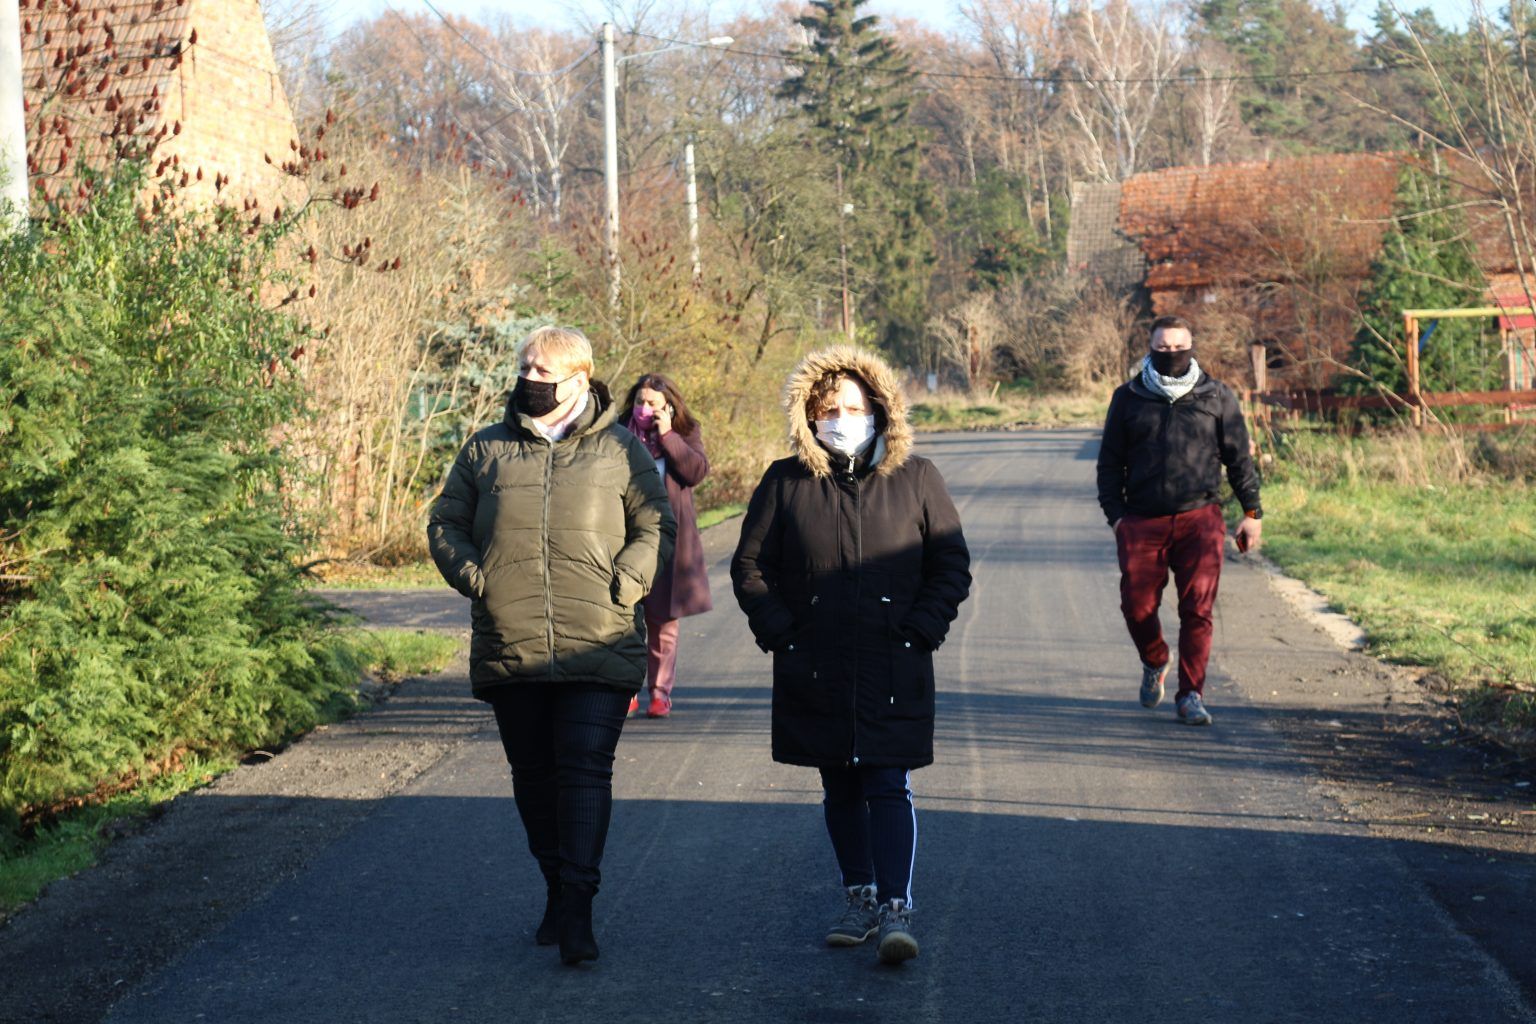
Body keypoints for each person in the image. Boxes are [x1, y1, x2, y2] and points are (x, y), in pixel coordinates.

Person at [427, 326, 675, 966]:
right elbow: (446, 522)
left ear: (580, 378)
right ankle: (556, 888)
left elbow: (655, 523)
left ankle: (580, 907)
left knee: (585, 768)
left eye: (544, 370)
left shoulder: (620, 449)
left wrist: (628, 583)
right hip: (512, 637)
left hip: (600, 635)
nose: (530, 378)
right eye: (526, 367)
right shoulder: (487, 448)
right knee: (534, 775)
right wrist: (476, 578)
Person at [731, 346, 971, 966]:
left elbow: (950, 565)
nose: (843, 419)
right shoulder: (785, 482)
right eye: (831, 409)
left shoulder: (917, 478)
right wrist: (784, 634)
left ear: (881, 410)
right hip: (816, 664)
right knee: (838, 783)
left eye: (856, 408)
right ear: (810, 416)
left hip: (895, 662)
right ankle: (859, 897)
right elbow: (750, 567)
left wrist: (921, 631)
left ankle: (895, 908)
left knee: (888, 782)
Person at [1095, 314, 1263, 727]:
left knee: (1198, 609)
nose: (1172, 354)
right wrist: (1117, 518)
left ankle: (1191, 695)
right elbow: (1109, 463)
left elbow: (1239, 460)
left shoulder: (1216, 395)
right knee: (1136, 608)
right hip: (1141, 521)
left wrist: (1251, 512)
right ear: (1150, 348)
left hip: (1199, 518)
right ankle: (1155, 659)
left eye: (1179, 347)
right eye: (1163, 348)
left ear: (1192, 347)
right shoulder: (1128, 397)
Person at [621, 373, 713, 719]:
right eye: (639, 402)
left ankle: (660, 693)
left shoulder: (685, 432)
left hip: (669, 542)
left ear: (669, 407)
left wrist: (668, 435)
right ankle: (627, 690)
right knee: (624, 619)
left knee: (663, 622)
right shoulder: (618, 432)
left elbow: (695, 472)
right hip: (626, 540)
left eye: (653, 404)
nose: (644, 409)